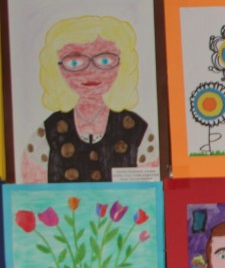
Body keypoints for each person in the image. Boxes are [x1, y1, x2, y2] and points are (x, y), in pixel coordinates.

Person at [26, 15, 157, 183]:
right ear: (56, 67)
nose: (90, 72)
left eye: (104, 60)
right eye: (74, 62)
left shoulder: (139, 130)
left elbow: (151, 189)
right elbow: (30, 188)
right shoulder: (47, 131)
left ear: (123, 64)